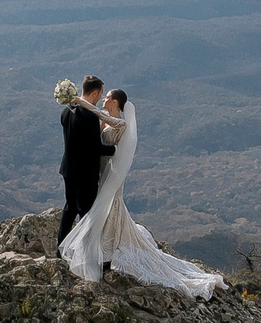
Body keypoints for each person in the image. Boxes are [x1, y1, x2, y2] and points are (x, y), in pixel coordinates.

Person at [59, 90, 225, 298]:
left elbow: (102, 121)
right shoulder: (103, 119)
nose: (104, 99)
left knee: (110, 206)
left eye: (108, 96)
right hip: (99, 172)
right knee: (99, 207)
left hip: (112, 173)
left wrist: (79, 100)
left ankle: (108, 252)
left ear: (117, 102)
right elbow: (96, 142)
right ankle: (100, 249)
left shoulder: (120, 123)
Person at [58, 75, 116, 243]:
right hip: (85, 173)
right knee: (87, 212)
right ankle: (84, 251)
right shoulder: (90, 117)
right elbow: (95, 148)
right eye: (100, 94)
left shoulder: (67, 110)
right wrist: (115, 149)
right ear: (95, 93)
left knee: (70, 208)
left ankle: (60, 246)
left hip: (68, 169)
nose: (100, 98)